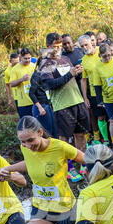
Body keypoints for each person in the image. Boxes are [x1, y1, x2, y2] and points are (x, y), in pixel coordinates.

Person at [39, 39, 89, 174]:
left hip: (77, 100)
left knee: (80, 135)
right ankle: (69, 167)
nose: (58, 49)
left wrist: (77, 73)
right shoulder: (46, 64)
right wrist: (70, 74)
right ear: (48, 47)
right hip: (62, 106)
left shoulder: (66, 58)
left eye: (60, 46)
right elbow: (50, 84)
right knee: (64, 139)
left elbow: (72, 78)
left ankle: (83, 164)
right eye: (55, 46)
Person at [79, 34, 108, 145]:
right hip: (94, 93)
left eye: (86, 44)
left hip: (108, 90)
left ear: (92, 42)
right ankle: (103, 139)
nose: (85, 47)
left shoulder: (101, 53)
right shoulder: (83, 60)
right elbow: (84, 80)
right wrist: (85, 97)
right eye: (82, 46)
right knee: (99, 116)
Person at [93, 42, 113, 152]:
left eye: (109, 55)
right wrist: (100, 101)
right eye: (105, 56)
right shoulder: (97, 67)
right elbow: (97, 86)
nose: (108, 58)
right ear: (100, 56)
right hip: (109, 98)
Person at [29, 50, 58, 138]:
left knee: (54, 132)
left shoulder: (46, 74)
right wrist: (40, 108)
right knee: (46, 133)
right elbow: (31, 93)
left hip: (48, 105)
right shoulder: (36, 75)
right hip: (41, 107)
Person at [10, 48, 36, 118]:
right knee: (26, 124)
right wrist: (22, 79)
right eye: (25, 58)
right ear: (20, 57)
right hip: (23, 103)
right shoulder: (15, 69)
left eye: (29, 58)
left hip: (35, 101)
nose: (27, 60)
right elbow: (12, 84)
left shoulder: (34, 66)